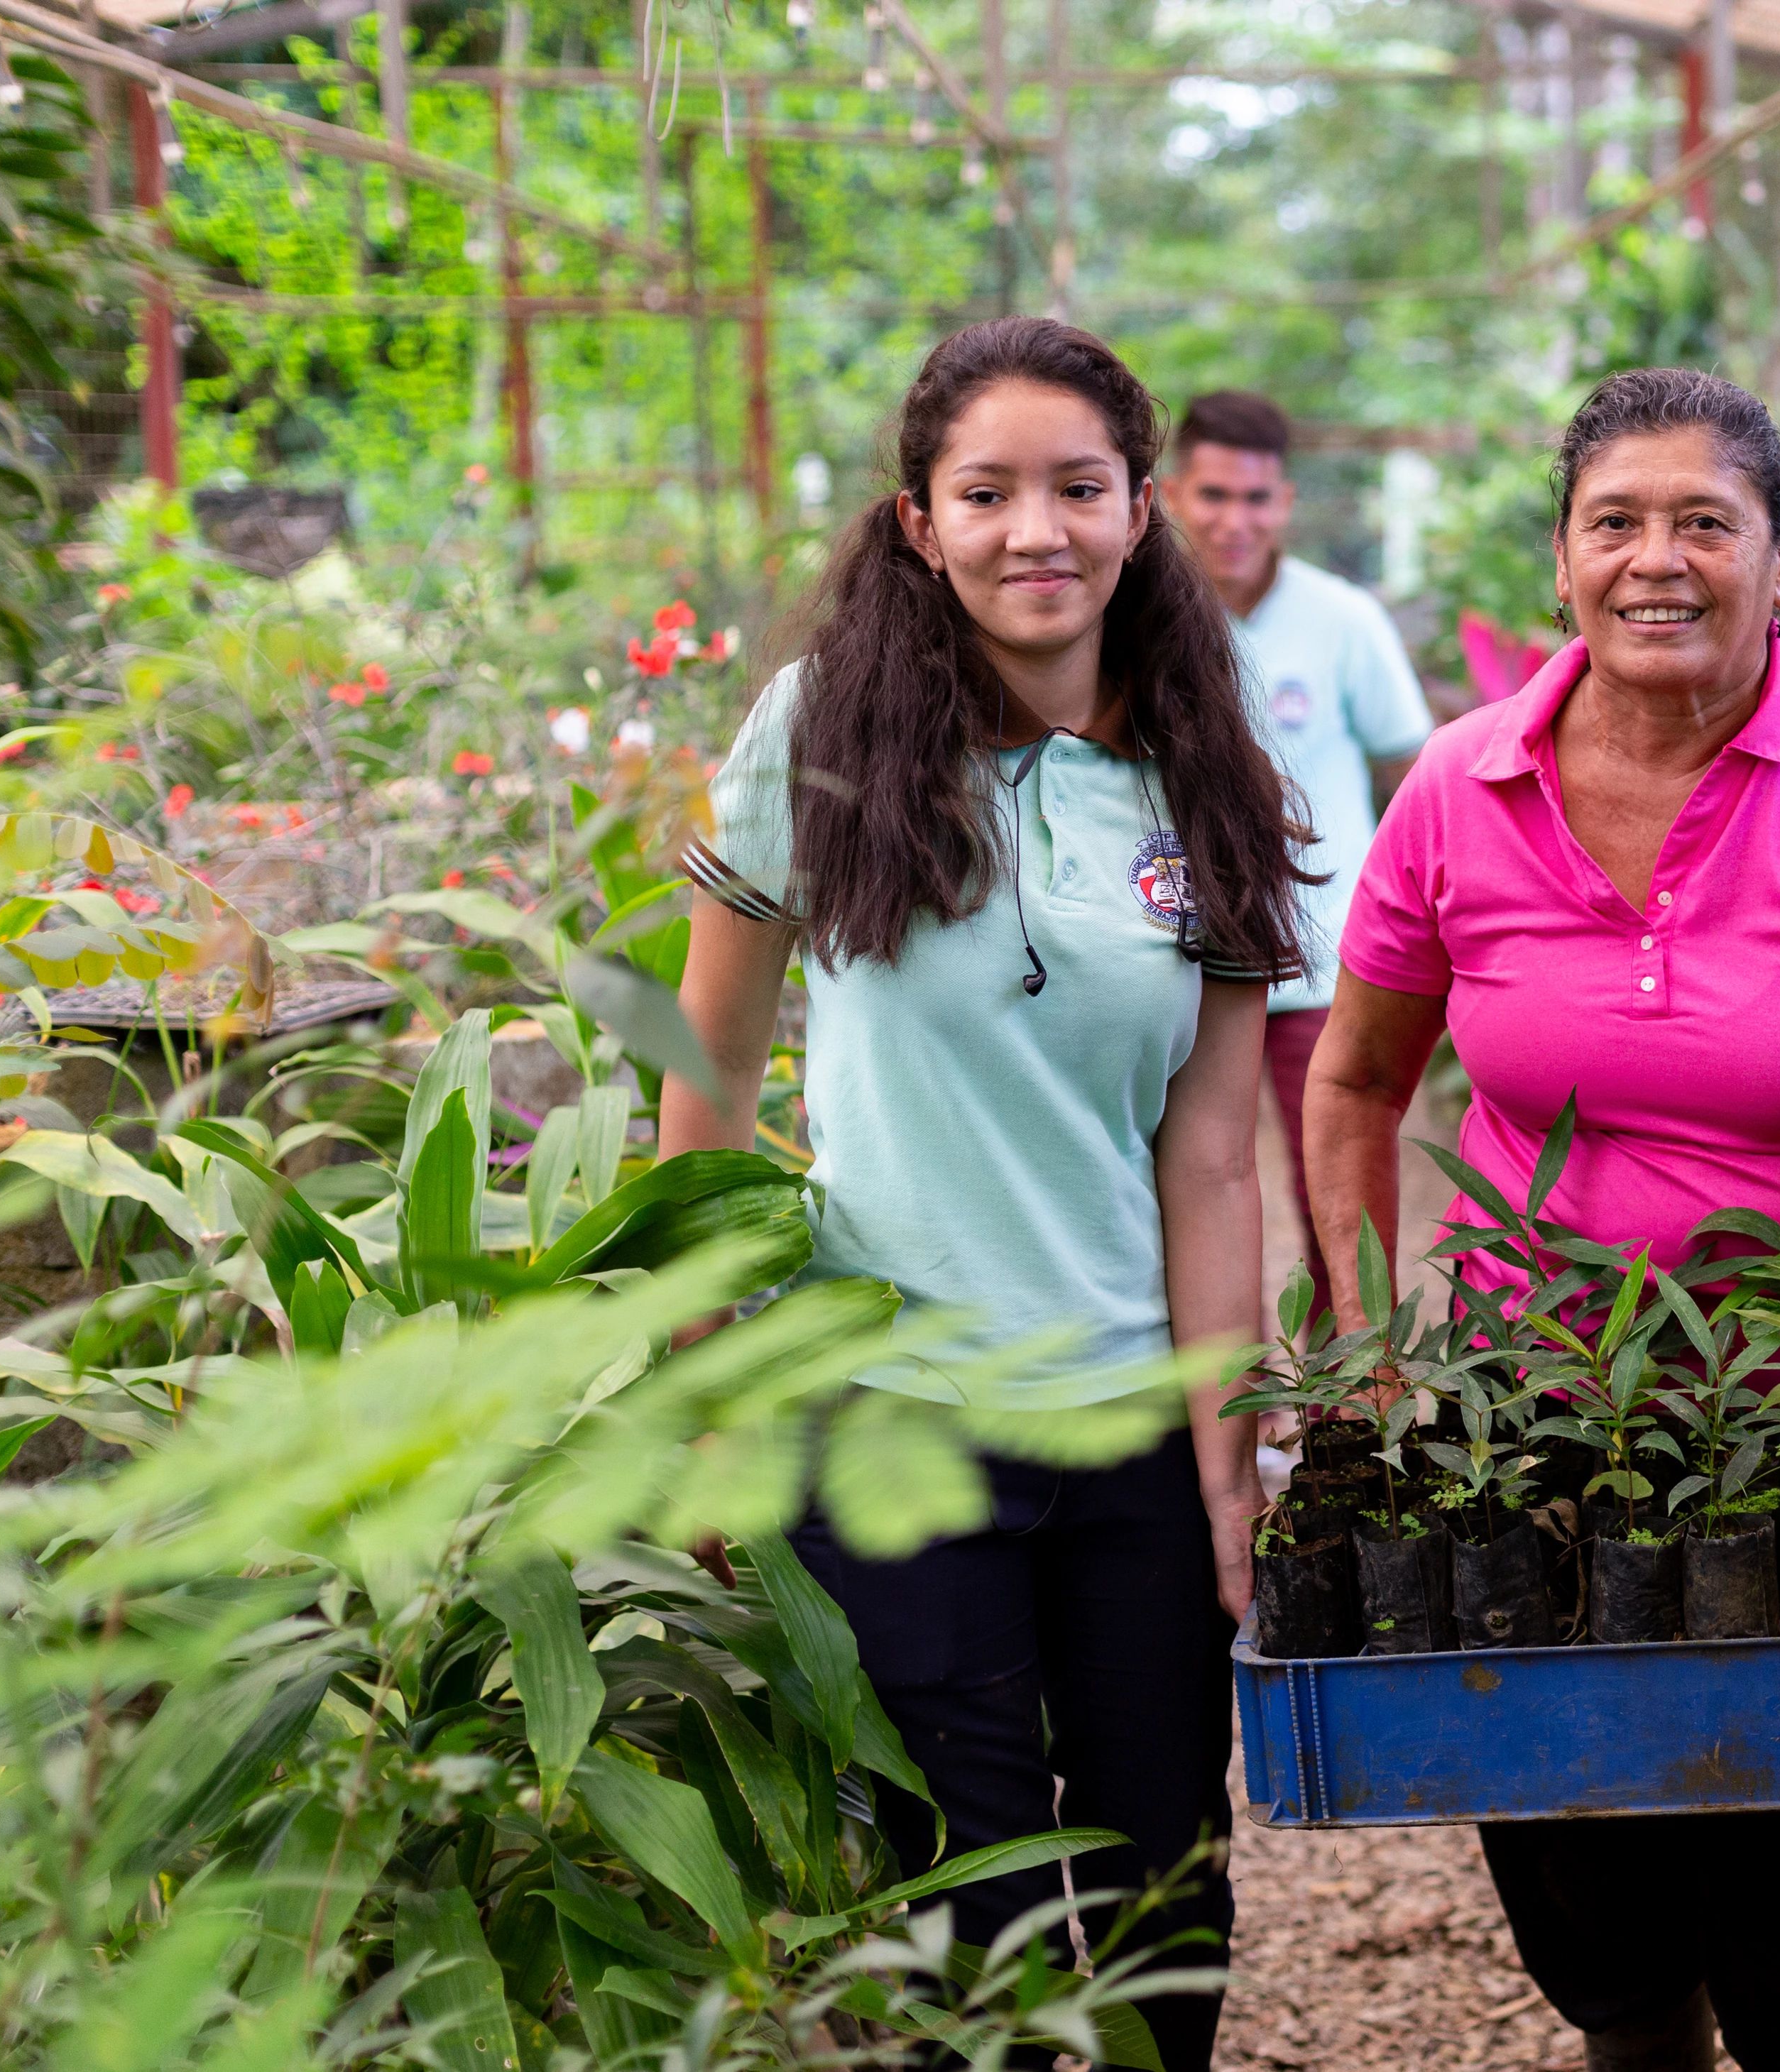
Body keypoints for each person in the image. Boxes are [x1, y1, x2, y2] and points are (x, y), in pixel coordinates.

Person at [1300, 367, 1780, 2072]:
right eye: (1614, 520)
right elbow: (1350, 1080)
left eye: (1706, 521)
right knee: (1574, 1841)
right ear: (1559, 560)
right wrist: (1355, 1356)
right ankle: (1632, 2038)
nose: (1658, 558)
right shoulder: (1458, 785)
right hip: (1533, 1403)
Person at [662, 317, 1306, 2072]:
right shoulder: (824, 738)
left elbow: (1213, 1154)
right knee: (971, 1897)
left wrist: (1225, 1450)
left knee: (1169, 1875)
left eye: (1079, 488)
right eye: (989, 490)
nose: (1040, 528)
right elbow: (707, 1078)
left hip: (1124, 1424)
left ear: (1140, 510)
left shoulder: (1212, 785)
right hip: (892, 1415)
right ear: (916, 522)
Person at [1164, 390, 1433, 1327]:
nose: (1235, 521)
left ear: (1284, 502)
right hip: (1176, 964)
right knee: (1188, 1186)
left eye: (1257, 499)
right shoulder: (1136, 619)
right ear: (1167, 495)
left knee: (1336, 1189)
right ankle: (1209, 1399)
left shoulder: (1341, 618)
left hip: (1321, 964)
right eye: (1213, 496)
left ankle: (1344, 1405)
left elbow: (1415, 772)